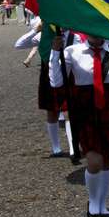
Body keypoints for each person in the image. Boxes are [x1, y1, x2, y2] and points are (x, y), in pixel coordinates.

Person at [50, 34, 109, 217]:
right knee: (94, 159)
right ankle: (93, 204)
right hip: (84, 108)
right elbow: (56, 82)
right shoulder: (72, 51)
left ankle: (101, 204)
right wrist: (55, 53)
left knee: (107, 160)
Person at [14, 20, 76, 158]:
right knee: (52, 110)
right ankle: (56, 148)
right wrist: (36, 30)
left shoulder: (76, 35)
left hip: (70, 74)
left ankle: (73, 148)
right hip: (48, 73)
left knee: (69, 111)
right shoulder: (44, 34)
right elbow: (19, 45)